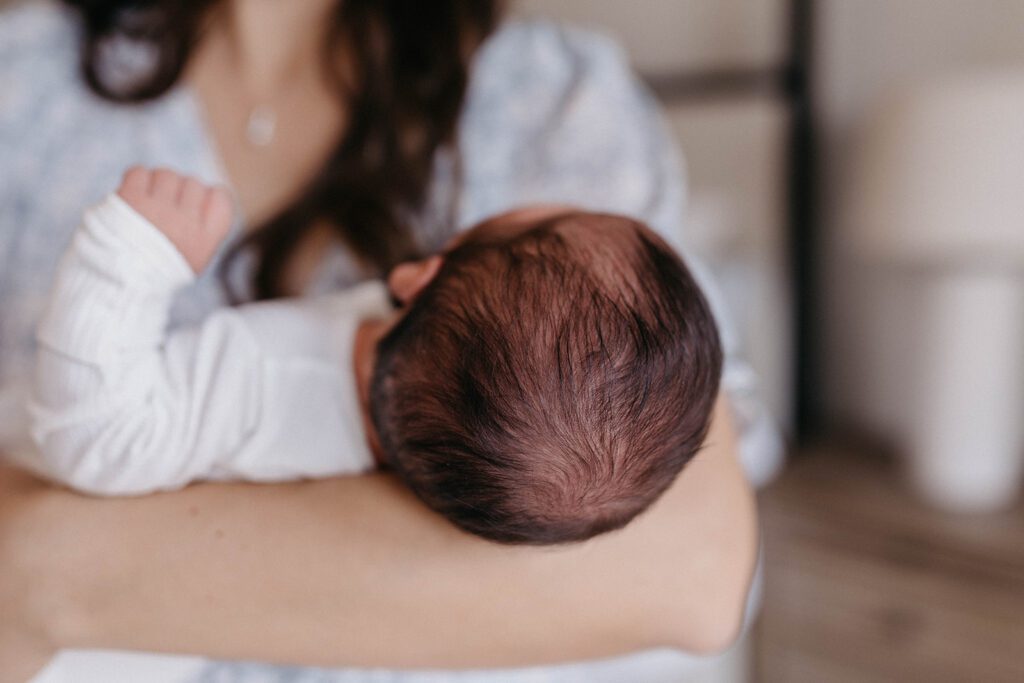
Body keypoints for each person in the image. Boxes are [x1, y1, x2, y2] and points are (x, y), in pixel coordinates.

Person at [0, 0, 778, 680]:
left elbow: (692, 569)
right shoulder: (24, 85)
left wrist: (45, 568)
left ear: (413, 279)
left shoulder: (552, 97)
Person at [30, 168, 722, 546]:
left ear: (416, 278)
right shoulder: (430, 418)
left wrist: (125, 258)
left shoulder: (261, 386)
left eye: (549, 216)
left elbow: (94, 438)